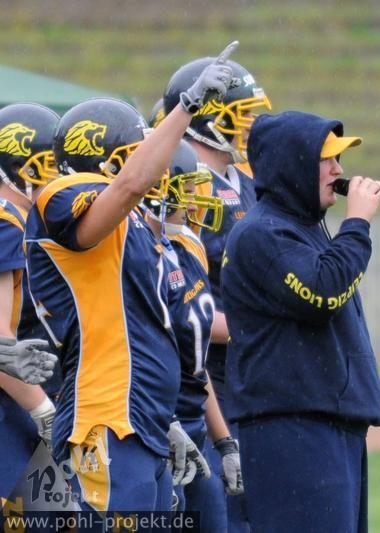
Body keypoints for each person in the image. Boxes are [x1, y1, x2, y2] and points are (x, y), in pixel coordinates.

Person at [23, 46, 237, 517]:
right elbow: (130, 186)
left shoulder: (139, 229)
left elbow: (148, 329)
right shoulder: (62, 195)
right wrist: (186, 108)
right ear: (105, 161)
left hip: (144, 419)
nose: (157, 166)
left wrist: (168, 418)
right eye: (137, 154)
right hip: (106, 416)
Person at [221, 110, 380, 532]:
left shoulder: (302, 228)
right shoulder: (262, 234)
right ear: (291, 165)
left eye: (338, 159)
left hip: (325, 429)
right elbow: (324, 292)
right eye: (326, 159)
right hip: (293, 431)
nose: (338, 170)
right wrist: (357, 224)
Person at [162, 55, 271, 532]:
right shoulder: (184, 186)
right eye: (238, 114)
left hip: (250, 369)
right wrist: (261, 328)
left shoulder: (246, 180)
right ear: (206, 118)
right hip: (206, 376)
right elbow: (180, 301)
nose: (249, 125)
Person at [142, 140, 243, 529]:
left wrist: (223, 440)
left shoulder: (188, 244)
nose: (196, 201)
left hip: (195, 427)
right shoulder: (138, 250)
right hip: (156, 427)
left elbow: (195, 364)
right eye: (186, 189)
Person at [0, 102, 60, 504]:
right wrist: (44, 411)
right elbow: (0, 338)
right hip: (13, 399)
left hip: (18, 393)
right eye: (49, 165)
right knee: (34, 515)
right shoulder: (7, 222)